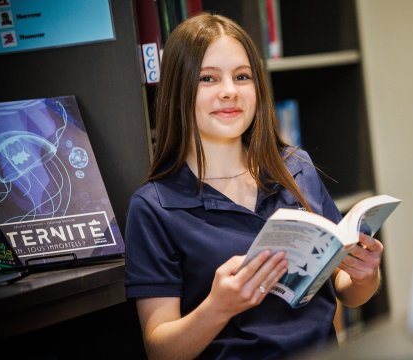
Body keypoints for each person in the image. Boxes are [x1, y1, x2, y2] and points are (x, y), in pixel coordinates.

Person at [124, 12, 384, 359]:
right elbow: (160, 349)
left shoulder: (296, 168)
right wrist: (218, 307)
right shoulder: (154, 206)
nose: (230, 92)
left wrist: (365, 276)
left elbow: (345, 291)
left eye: (242, 76)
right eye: (208, 79)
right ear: (178, 90)